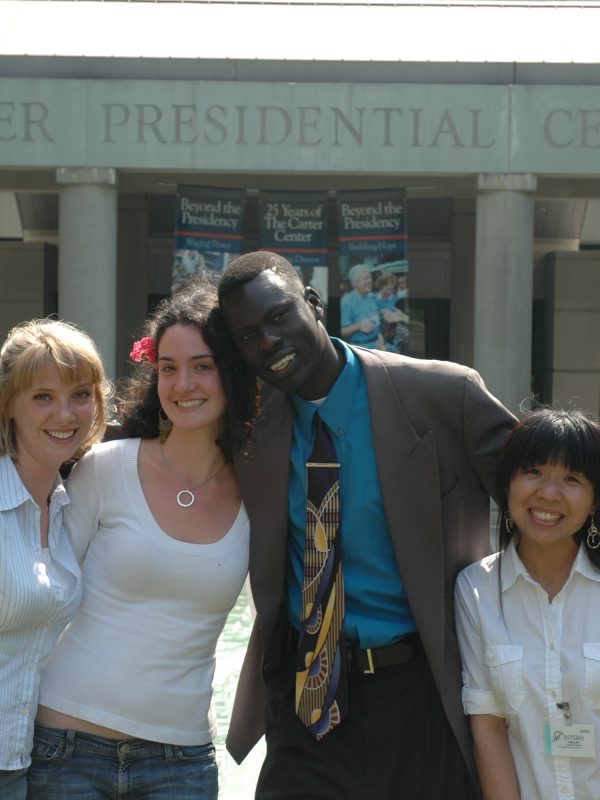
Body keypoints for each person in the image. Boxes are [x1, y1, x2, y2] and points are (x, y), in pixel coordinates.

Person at [218, 251, 516, 799]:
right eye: (247, 335)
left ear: (313, 304)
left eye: (279, 316)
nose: (268, 342)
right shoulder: (248, 431)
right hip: (306, 700)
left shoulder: (446, 395)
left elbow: (547, 488)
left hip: (423, 693)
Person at [27, 279, 259, 800]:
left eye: (202, 366)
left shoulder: (259, 497)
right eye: (169, 368)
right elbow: (42, 599)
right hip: (66, 749)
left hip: (180, 760)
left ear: (234, 373)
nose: (183, 384)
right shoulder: (105, 469)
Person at [455, 408, 600, 799]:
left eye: (571, 478)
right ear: (508, 485)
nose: (549, 493)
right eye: (533, 472)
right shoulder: (476, 590)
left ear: (594, 502)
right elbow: (488, 727)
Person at [0, 319, 109, 800]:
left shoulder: (69, 505)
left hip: (24, 763)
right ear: (8, 405)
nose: (66, 414)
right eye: (42, 397)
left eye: (80, 394)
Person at [340, 263, 383, 349]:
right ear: (354, 283)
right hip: (359, 348)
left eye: (370, 277)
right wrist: (358, 326)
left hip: (377, 345)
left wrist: (381, 340)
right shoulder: (347, 302)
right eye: (365, 278)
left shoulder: (373, 297)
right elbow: (341, 331)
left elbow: (377, 322)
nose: (370, 281)